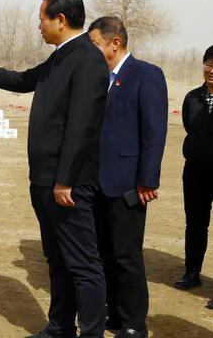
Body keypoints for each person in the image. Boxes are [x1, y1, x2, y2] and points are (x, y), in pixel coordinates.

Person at [0, 0, 109, 338]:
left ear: (61, 19)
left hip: (67, 184)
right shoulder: (60, 57)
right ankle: (59, 327)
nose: (38, 25)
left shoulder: (87, 59)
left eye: (42, 18)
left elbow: (82, 125)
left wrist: (65, 179)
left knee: (83, 264)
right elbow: (24, 79)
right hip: (45, 179)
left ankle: (91, 332)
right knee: (57, 260)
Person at [89, 17, 168, 338]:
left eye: (94, 44)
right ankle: (114, 312)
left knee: (127, 255)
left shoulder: (146, 75)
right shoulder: (97, 78)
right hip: (96, 180)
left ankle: (135, 323)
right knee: (103, 252)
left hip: (128, 183)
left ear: (115, 43)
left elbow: (154, 131)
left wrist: (148, 179)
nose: (90, 50)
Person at [174, 45, 213, 294]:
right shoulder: (192, 98)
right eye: (209, 64)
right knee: (195, 223)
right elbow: (189, 126)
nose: (212, 70)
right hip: (196, 170)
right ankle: (192, 272)